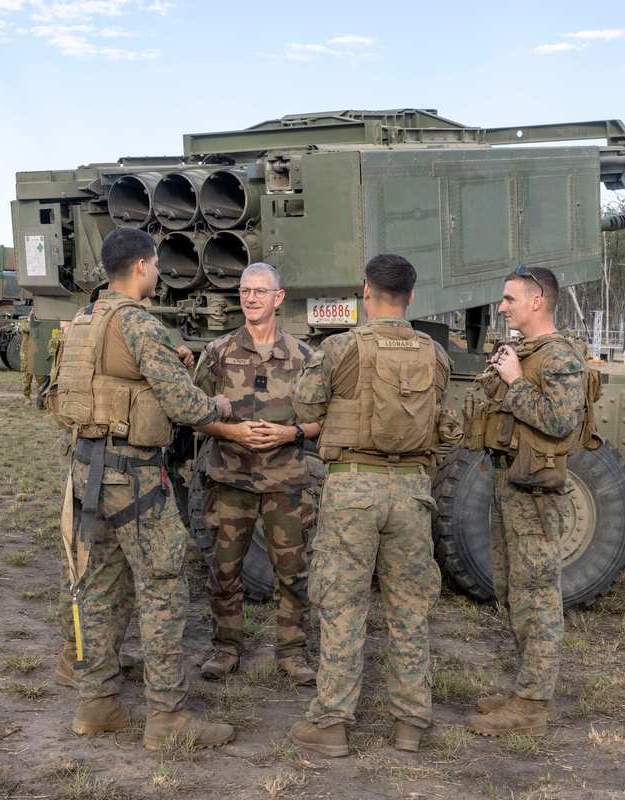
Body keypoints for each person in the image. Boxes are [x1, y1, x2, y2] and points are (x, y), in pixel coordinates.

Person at [59, 227, 235, 751]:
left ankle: (97, 703)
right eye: (156, 265)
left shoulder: (85, 322)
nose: (158, 273)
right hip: (133, 476)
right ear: (141, 267)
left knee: (100, 586)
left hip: (84, 470)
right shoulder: (137, 323)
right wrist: (219, 407)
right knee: (162, 586)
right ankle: (167, 717)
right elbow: (187, 409)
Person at [288, 253, 461, 757]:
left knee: (342, 606)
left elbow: (305, 406)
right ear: (411, 295)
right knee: (410, 609)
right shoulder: (435, 354)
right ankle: (410, 724)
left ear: (366, 291)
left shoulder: (339, 348)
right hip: (412, 490)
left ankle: (332, 724)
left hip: (352, 487)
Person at [464, 264, 585, 738]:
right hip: (510, 485)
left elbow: (559, 422)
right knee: (514, 590)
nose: (501, 307)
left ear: (538, 300)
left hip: (535, 493)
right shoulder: (527, 353)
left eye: (510, 299)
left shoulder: (558, 357)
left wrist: (515, 381)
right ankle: (527, 689)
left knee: (537, 595)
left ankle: (533, 704)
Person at [193, 262, 321, 686]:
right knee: (224, 571)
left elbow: (325, 418)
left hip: (285, 483)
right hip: (231, 482)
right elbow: (193, 415)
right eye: (246, 291)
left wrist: (290, 432)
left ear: (278, 298)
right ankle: (226, 648)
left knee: (293, 573)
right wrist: (233, 431)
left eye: (260, 292)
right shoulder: (218, 352)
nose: (251, 298)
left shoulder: (305, 357)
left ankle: (292, 653)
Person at [19, 309, 45, 406]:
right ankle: (27, 396)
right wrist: (31, 319)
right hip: (27, 353)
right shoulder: (25, 323)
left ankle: (41, 396)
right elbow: (27, 329)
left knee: (39, 376)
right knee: (27, 375)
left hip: (37, 352)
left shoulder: (40, 324)